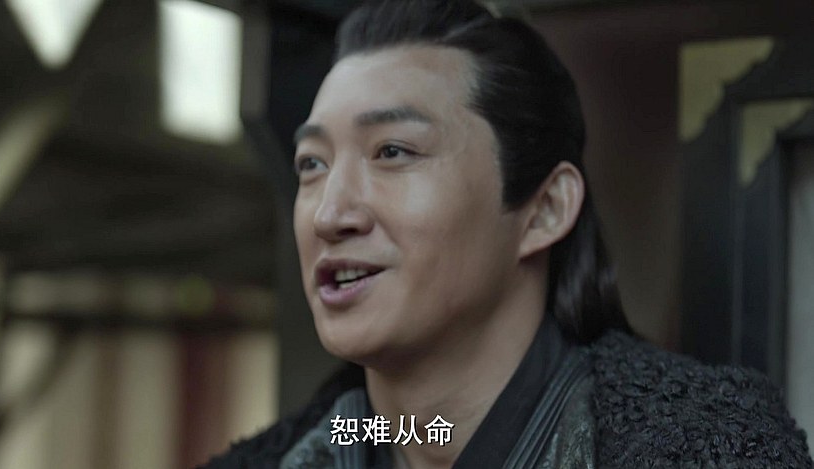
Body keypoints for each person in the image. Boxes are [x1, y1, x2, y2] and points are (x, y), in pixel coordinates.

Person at [202, 0, 812, 467]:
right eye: (312, 163)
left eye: (392, 151)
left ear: (544, 210)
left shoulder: (702, 448)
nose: (329, 214)